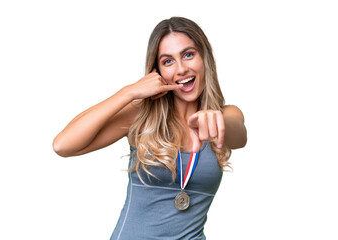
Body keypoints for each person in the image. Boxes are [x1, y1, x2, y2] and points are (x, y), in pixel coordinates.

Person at [53, 16, 247, 240]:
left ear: (204, 58)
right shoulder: (143, 116)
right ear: (158, 72)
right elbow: (62, 145)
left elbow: (239, 136)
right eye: (168, 61)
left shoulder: (225, 115)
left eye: (188, 55)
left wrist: (218, 122)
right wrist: (130, 92)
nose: (181, 69)